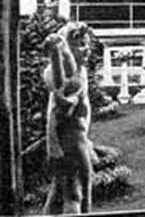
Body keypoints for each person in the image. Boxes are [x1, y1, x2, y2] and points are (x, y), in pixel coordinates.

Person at [42, 21, 94, 215]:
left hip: (75, 137)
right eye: (81, 45)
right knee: (76, 193)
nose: (86, 49)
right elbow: (64, 109)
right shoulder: (59, 74)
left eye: (87, 44)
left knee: (58, 193)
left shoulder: (81, 71)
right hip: (67, 140)